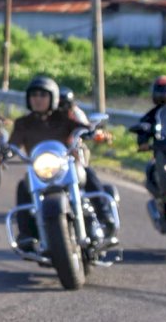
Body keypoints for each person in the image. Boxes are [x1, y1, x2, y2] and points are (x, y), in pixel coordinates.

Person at [8, 76, 116, 251]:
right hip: (40, 171)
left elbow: (81, 128)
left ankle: (105, 217)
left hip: (65, 167)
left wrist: (92, 132)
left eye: (43, 95)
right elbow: (13, 142)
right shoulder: (23, 123)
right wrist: (5, 150)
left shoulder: (63, 118)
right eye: (34, 95)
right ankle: (26, 234)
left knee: (88, 173)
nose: (38, 99)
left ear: (53, 98)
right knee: (23, 186)